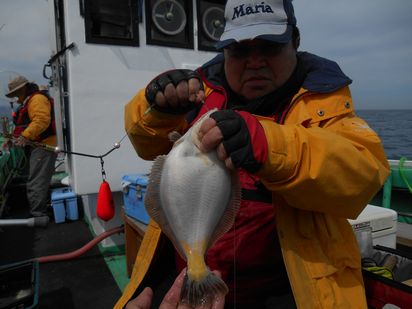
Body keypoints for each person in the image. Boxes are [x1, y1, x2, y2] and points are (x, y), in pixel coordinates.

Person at [116, 0, 390, 307]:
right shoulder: (197, 92)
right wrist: (157, 108)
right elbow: (145, 144)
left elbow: (362, 174)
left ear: (295, 42)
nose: (255, 62)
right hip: (188, 283)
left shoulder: (323, 101)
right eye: (240, 50)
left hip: (291, 290)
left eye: (270, 47)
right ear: (225, 52)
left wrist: (268, 146)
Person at [4, 75, 57, 219]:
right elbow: (24, 125)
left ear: (23, 89)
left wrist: (24, 136)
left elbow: (41, 120)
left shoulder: (37, 99)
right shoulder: (29, 101)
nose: (14, 96)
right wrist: (11, 139)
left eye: (15, 92)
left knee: (36, 181)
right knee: (38, 179)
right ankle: (41, 209)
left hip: (44, 146)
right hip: (37, 146)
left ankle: (38, 215)